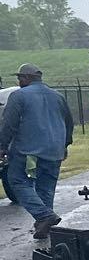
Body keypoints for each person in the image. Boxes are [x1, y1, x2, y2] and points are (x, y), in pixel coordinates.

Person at [0, 64, 75, 239]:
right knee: (46, 187)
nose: (18, 81)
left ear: (27, 78)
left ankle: (44, 215)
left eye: (20, 78)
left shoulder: (18, 96)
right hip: (54, 152)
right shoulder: (57, 96)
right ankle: (43, 226)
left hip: (30, 154)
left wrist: (2, 146)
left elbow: (9, 124)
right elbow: (68, 123)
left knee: (19, 181)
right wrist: (65, 145)